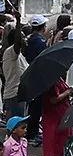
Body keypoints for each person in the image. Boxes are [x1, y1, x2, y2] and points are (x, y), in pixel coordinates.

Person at [41, 78, 73, 156]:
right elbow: (53, 99)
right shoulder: (50, 82)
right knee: (55, 149)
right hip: (54, 120)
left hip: (60, 118)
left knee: (59, 148)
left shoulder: (57, 79)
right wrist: (67, 92)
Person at [24, 14, 50, 144]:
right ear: (43, 27)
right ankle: (32, 133)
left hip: (30, 76)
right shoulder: (40, 42)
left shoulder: (29, 39)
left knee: (33, 106)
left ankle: (32, 132)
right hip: (38, 78)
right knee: (36, 107)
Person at [2, 27, 27, 119]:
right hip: (14, 96)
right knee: (17, 124)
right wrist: (18, 22)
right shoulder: (11, 52)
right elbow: (17, 44)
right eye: (22, 37)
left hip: (18, 95)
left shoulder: (20, 56)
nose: (25, 39)